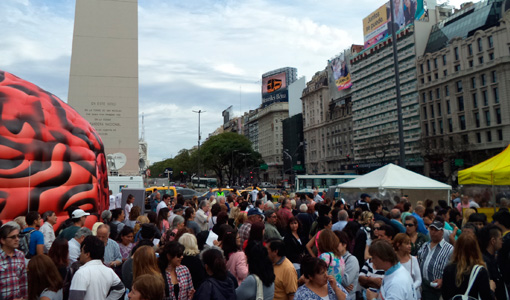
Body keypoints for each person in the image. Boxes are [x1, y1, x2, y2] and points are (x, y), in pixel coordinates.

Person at [442, 233, 493, 300]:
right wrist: (491, 290)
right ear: (476, 249)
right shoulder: (480, 271)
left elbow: (445, 294)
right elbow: (486, 296)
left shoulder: (448, 269)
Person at [417, 220, 453, 300]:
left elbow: (454, 270)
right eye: (431, 229)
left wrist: (443, 280)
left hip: (439, 290)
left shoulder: (450, 249)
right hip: (424, 287)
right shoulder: (425, 245)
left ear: (442, 232)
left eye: (436, 230)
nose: (433, 232)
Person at [0, 223, 28, 299]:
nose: (17, 239)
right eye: (13, 237)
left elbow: (23, 281)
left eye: (18, 236)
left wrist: (25, 297)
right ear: (3, 240)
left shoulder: (20, 255)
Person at [480, 224, 507, 300]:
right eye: (500, 239)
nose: (502, 241)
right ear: (493, 241)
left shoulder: (494, 258)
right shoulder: (485, 262)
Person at [393, 233, 422, 299]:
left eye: (410, 243)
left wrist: (411, 288)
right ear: (398, 245)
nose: (410, 246)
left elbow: (418, 280)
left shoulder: (413, 259)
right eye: (407, 244)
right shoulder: (392, 260)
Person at [334, 230, 359, 300]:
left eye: (336, 243)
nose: (332, 246)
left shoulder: (351, 260)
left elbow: (346, 281)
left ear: (344, 245)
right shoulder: (330, 258)